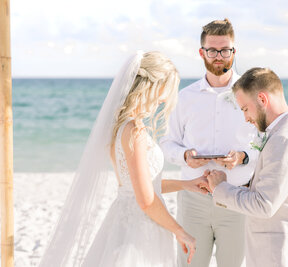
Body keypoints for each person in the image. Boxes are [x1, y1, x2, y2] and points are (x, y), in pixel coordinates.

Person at [39, 51, 207, 267]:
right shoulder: (134, 130)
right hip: (140, 227)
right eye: (164, 92)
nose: (164, 101)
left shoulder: (120, 126)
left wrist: (187, 184)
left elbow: (141, 185)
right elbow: (146, 200)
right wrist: (180, 231)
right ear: (151, 87)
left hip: (125, 219)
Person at [160, 19, 258, 267]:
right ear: (201, 52)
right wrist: (184, 156)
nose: (219, 56)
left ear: (234, 52)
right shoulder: (184, 97)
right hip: (194, 199)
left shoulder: (251, 95)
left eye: (225, 50)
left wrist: (242, 157)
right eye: (212, 50)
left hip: (238, 197)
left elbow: (265, 145)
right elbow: (167, 143)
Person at [205, 67, 288, 267]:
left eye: (245, 109)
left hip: (280, 254)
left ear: (262, 99)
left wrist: (220, 188)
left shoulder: (284, 140)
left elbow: (264, 205)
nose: (245, 118)